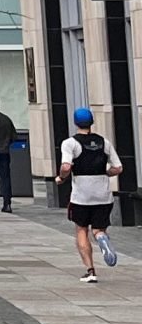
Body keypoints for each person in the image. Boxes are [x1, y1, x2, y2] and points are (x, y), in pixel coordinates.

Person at [58, 105, 124, 283]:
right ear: (91, 122)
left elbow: (66, 166)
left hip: (82, 195)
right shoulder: (104, 142)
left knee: (81, 229)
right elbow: (118, 168)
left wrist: (61, 178)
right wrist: (104, 174)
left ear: (75, 122)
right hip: (103, 194)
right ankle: (101, 237)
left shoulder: (70, 143)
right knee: (98, 229)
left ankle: (90, 270)